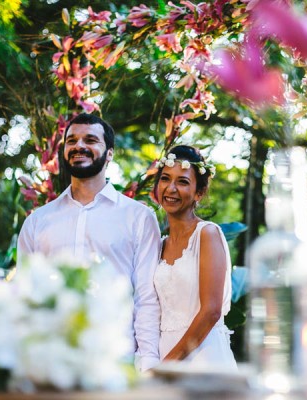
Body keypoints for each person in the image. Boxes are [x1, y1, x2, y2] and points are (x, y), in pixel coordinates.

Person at [17, 113, 162, 372]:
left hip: (115, 361)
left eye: (91, 140)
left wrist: (148, 361)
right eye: (71, 140)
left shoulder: (138, 218)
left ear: (109, 154)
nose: (79, 146)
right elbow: (24, 293)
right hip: (50, 360)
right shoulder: (37, 222)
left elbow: (146, 298)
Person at [153, 145, 237, 370]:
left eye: (182, 182)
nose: (171, 189)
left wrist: (166, 367)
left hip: (203, 356)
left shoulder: (207, 234)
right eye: (165, 179)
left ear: (199, 193)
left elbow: (211, 311)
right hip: (165, 352)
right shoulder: (159, 245)